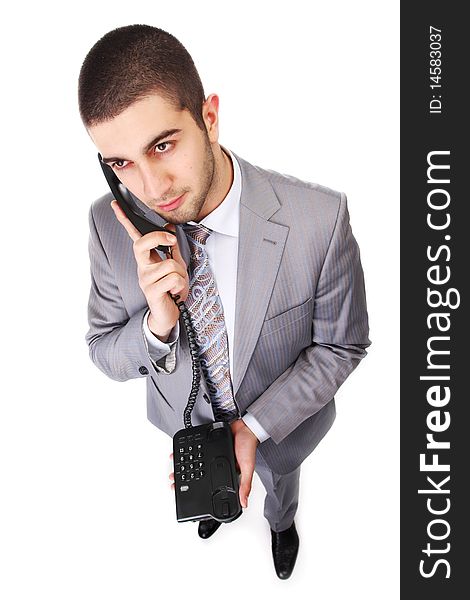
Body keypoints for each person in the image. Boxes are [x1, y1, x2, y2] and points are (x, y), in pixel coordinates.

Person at [79, 24, 370, 580]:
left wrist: (254, 428)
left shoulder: (319, 221)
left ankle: (282, 525)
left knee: (280, 489)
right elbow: (102, 347)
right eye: (120, 164)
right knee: (211, 494)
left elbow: (342, 345)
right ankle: (217, 509)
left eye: (162, 145)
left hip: (280, 432)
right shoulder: (107, 225)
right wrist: (157, 323)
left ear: (209, 118)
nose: (151, 185)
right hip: (186, 430)